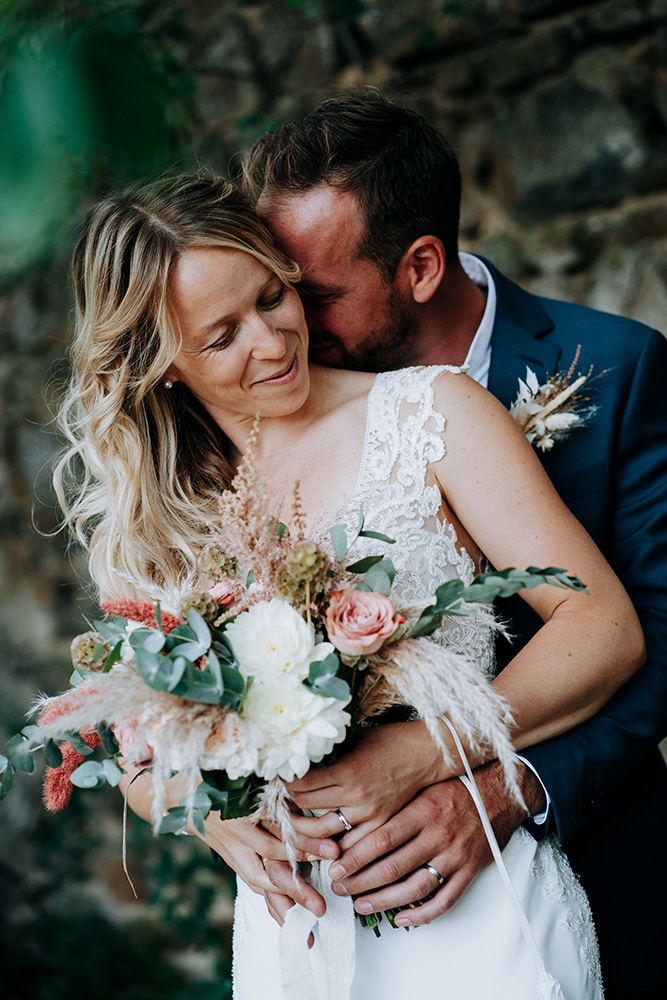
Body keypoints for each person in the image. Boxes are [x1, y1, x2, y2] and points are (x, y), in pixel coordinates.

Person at [56, 172, 645, 999]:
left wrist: (423, 752)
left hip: (463, 899)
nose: (272, 340)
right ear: (161, 368)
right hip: (290, 931)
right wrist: (206, 812)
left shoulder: (432, 416)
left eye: (270, 297)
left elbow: (603, 628)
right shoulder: (164, 508)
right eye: (222, 335)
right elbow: (138, 748)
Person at [240, 88, 667, 1000]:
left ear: (421, 267)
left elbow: (658, 635)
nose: (286, 331)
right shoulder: (267, 418)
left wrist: (503, 788)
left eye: (311, 296)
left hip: (591, 850)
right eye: (269, 290)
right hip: (354, 911)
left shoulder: (621, 366)